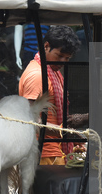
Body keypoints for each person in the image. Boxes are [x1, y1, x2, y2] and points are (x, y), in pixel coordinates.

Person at [18, 25, 83, 166]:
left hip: (53, 152)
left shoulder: (52, 72)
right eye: (59, 56)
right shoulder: (37, 76)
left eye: (67, 58)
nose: (63, 62)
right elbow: (31, 121)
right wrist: (65, 133)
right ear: (46, 46)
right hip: (42, 155)